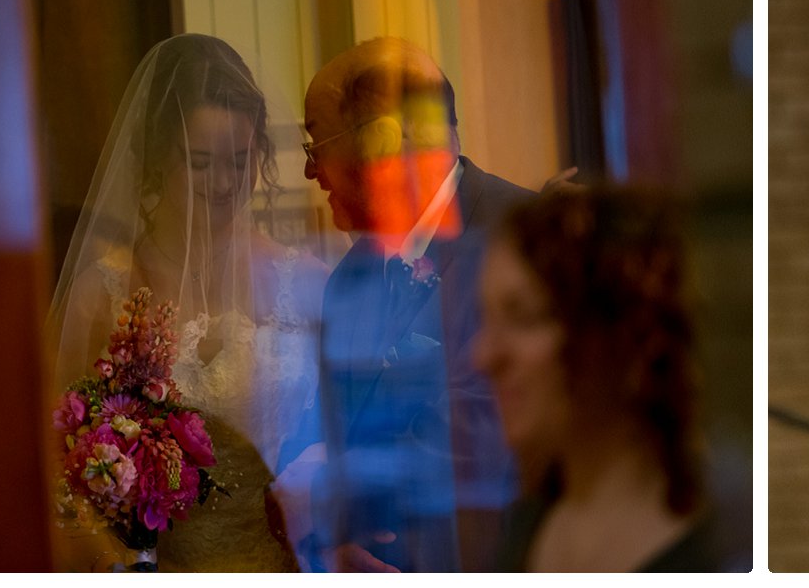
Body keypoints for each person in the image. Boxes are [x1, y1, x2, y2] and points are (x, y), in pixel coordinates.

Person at [46, 34, 330, 571]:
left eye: (240, 160)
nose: (225, 183)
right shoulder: (103, 296)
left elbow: (347, 440)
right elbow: (55, 469)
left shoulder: (307, 282)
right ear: (157, 156)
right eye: (201, 162)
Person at [295, 37, 534, 571]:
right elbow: (335, 428)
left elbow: (497, 423)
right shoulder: (347, 279)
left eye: (317, 146)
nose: (310, 173)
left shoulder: (523, 237)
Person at [475, 187, 722, 571]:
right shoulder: (529, 523)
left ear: (621, 334)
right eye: (487, 319)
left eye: (524, 317)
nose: (484, 356)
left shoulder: (715, 557)